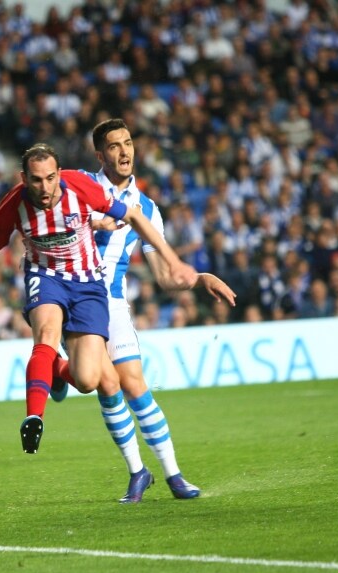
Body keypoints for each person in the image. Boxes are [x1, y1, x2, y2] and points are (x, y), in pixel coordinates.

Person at [0, 144, 197, 502]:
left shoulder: (80, 188)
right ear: (25, 179)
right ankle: (34, 418)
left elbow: (133, 216)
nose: (45, 187)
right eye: (36, 180)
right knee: (47, 335)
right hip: (45, 278)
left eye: (51, 177)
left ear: (59, 173)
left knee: (87, 380)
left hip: (88, 285)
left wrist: (173, 260)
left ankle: (57, 371)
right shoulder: (13, 204)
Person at [54, 118, 237, 501]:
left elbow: (163, 276)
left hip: (114, 303)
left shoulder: (148, 209)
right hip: (76, 297)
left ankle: (172, 475)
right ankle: (138, 472)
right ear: (100, 155)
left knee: (134, 384)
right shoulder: (77, 188)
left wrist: (199, 277)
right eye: (115, 145)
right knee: (105, 383)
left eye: (128, 143)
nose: (124, 151)